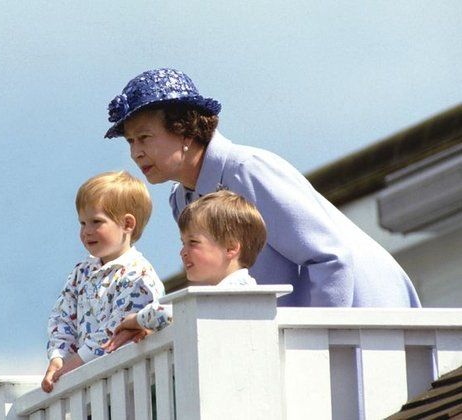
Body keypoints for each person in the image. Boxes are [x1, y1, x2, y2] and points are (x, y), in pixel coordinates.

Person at [103, 68, 421, 308]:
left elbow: (330, 257)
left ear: (185, 130)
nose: (135, 153)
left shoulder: (247, 169)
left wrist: (315, 349)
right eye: (131, 141)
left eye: (144, 137)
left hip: (369, 319)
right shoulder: (182, 198)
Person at [42, 171, 165, 392]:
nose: (86, 232)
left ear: (128, 224)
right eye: (82, 223)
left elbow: (117, 327)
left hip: (128, 384)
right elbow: (62, 315)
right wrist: (59, 356)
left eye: (96, 222)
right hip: (89, 386)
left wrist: (75, 363)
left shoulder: (139, 275)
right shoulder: (82, 272)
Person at [103, 190, 267, 352]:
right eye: (183, 243)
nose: (183, 252)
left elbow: (166, 313)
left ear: (230, 248)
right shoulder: (225, 293)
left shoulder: (235, 290)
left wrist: (135, 320)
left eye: (193, 242)